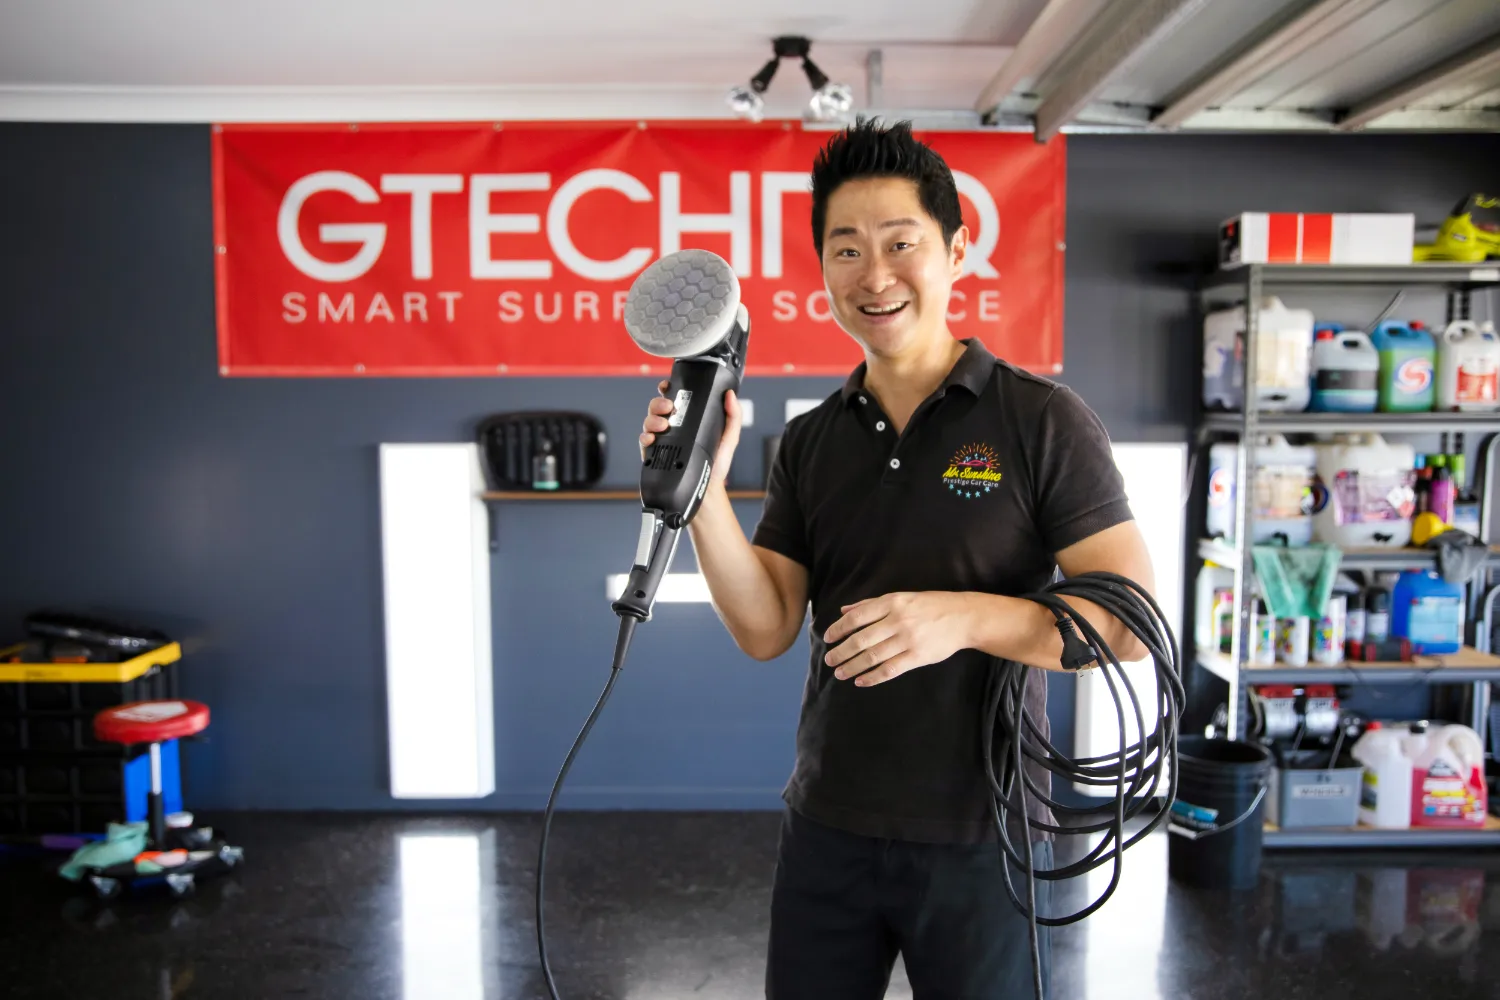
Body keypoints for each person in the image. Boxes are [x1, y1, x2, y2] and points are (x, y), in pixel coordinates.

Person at [638, 119, 1155, 999]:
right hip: (828, 826)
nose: (874, 276)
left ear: (956, 250)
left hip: (985, 833)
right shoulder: (811, 442)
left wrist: (959, 617)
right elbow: (765, 627)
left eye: (900, 243)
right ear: (825, 273)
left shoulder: (1040, 421)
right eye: (845, 251)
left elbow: (1128, 624)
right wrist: (705, 493)